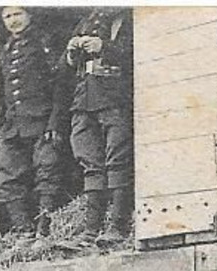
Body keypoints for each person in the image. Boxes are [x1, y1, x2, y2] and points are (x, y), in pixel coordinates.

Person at [0, 6, 71, 235]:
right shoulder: (5, 50)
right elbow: (2, 96)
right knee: (6, 176)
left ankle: (43, 229)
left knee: (47, 173)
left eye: (17, 14)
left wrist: (55, 122)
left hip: (42, 121)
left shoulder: (44, 41)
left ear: (30, 15)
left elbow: (60, 84)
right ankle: (24, 231)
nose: (12, 21)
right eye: (7, 17)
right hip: (12, 126)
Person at [66, 8, 134, 237]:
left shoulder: (128, 18)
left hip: (114, 99)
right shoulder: (86, 21)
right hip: (83, 101)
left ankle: (118, 226)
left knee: (117, 160)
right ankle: (91, 230)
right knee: (91, 164)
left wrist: (104, 47)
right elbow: (64, 70)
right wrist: (71, 52)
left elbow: (142, 54)